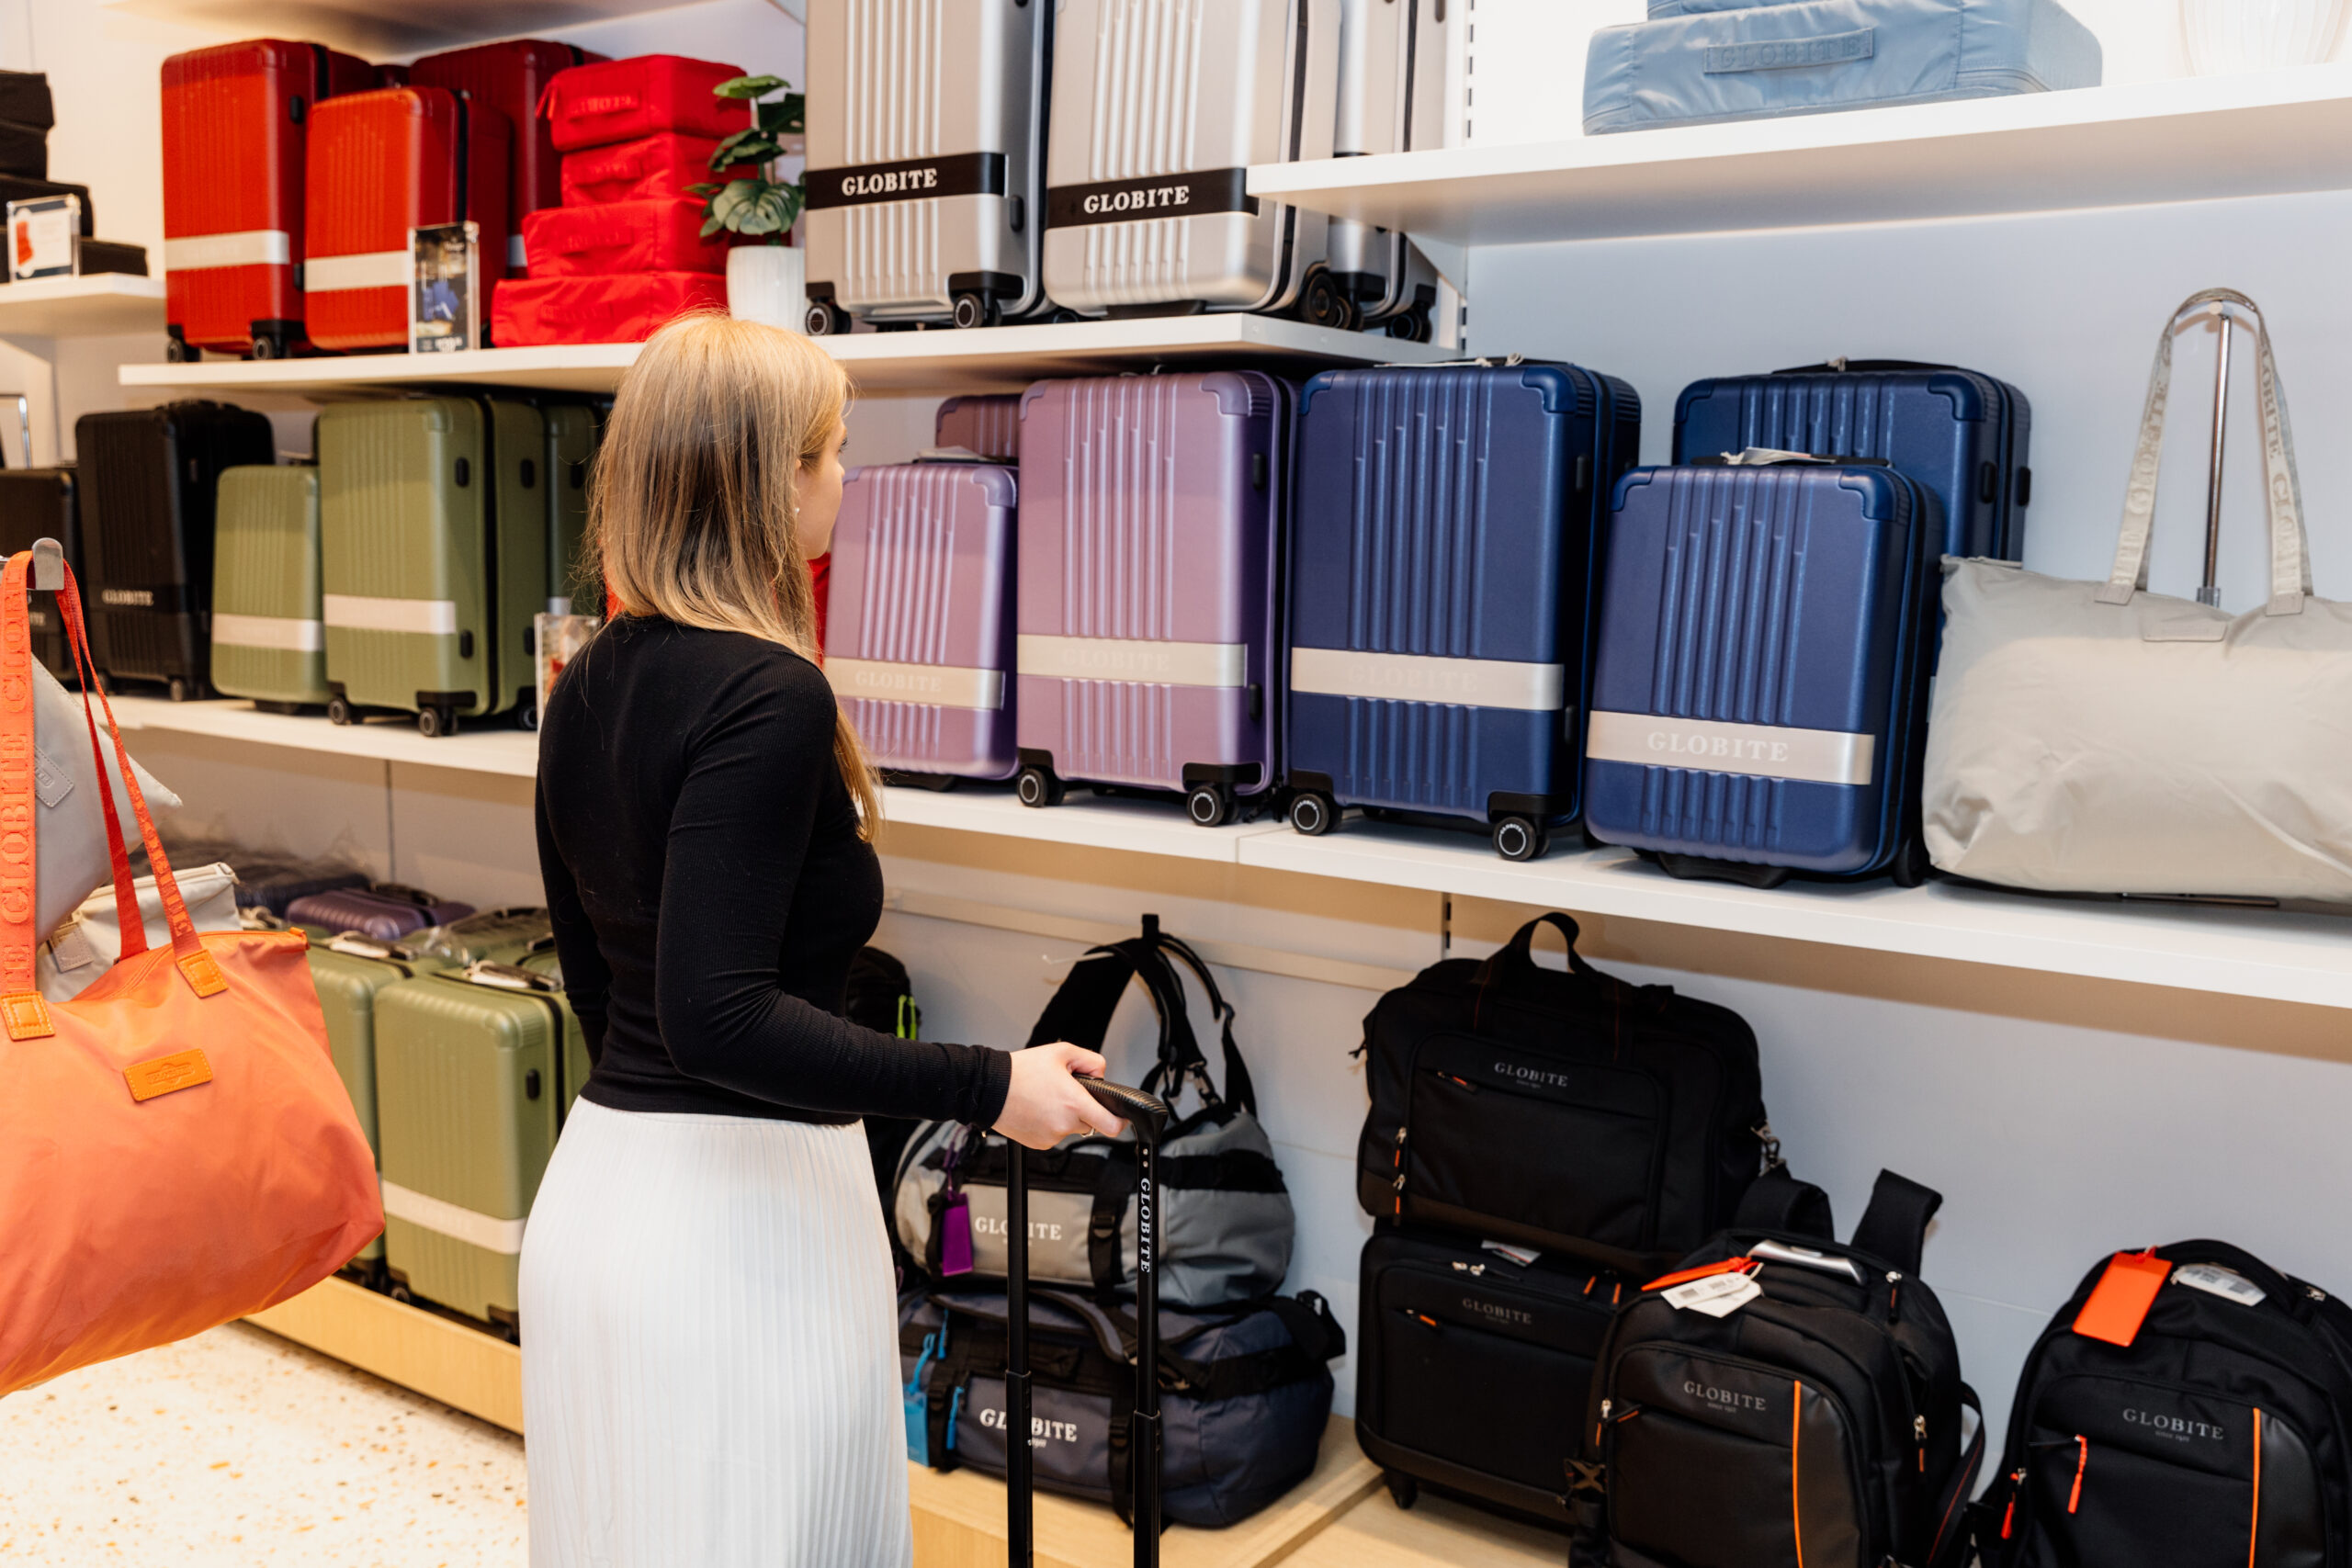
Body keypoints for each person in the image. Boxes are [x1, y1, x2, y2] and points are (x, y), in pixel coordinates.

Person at [524, 313, 1125, 1567]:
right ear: (766, 480)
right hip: (738, 1237)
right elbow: (718, 1015)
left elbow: (601, 984)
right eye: (830, 452)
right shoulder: (767, 693)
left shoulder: (586, 682)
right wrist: (991, 1086)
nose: (843, 480)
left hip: (604, 1201)